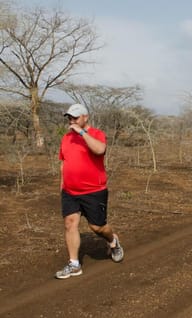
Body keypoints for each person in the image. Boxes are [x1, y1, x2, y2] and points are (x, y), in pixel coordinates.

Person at [56, 103, 124, 279]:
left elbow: (100, 150)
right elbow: (63, 162)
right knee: (70, 223)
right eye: (69, 118)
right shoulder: (66, 138)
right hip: (70, 191)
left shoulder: (96, 134)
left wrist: (81, 132)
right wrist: (62, 185)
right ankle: (74, 264)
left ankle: (112, 241)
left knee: (97, 227)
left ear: (85, 117)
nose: (72, 121)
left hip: (94, 190)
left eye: (75, 117)